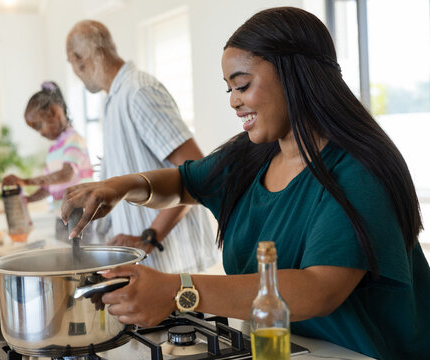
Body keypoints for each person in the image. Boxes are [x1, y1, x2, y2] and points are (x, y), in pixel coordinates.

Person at [61, 7, 430, 360]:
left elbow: (318, 289)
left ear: (294, 74)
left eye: (242, 85)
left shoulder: (359, 170)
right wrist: (120, 187)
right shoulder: (255, 153)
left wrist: (180, 289)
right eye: (229, 90)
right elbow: (182, 182)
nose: (234, 102)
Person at [64, 20, 219, 273]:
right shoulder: (113, 98)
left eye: (72, 64)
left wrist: (149, 238)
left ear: (77, 58)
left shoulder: (138, 91)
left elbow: (199, 172)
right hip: (149, 268)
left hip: (173, 265)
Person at [2, 81, 94, 240]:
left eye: (39, 126)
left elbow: (66, 174)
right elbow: (47, 187)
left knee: (80, 262)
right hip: (61, 218)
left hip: (80, 217)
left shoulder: (74, 140)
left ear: (55, 112)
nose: (40, 133)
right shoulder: (53, 150)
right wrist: (29, 199)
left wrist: (26, 181)